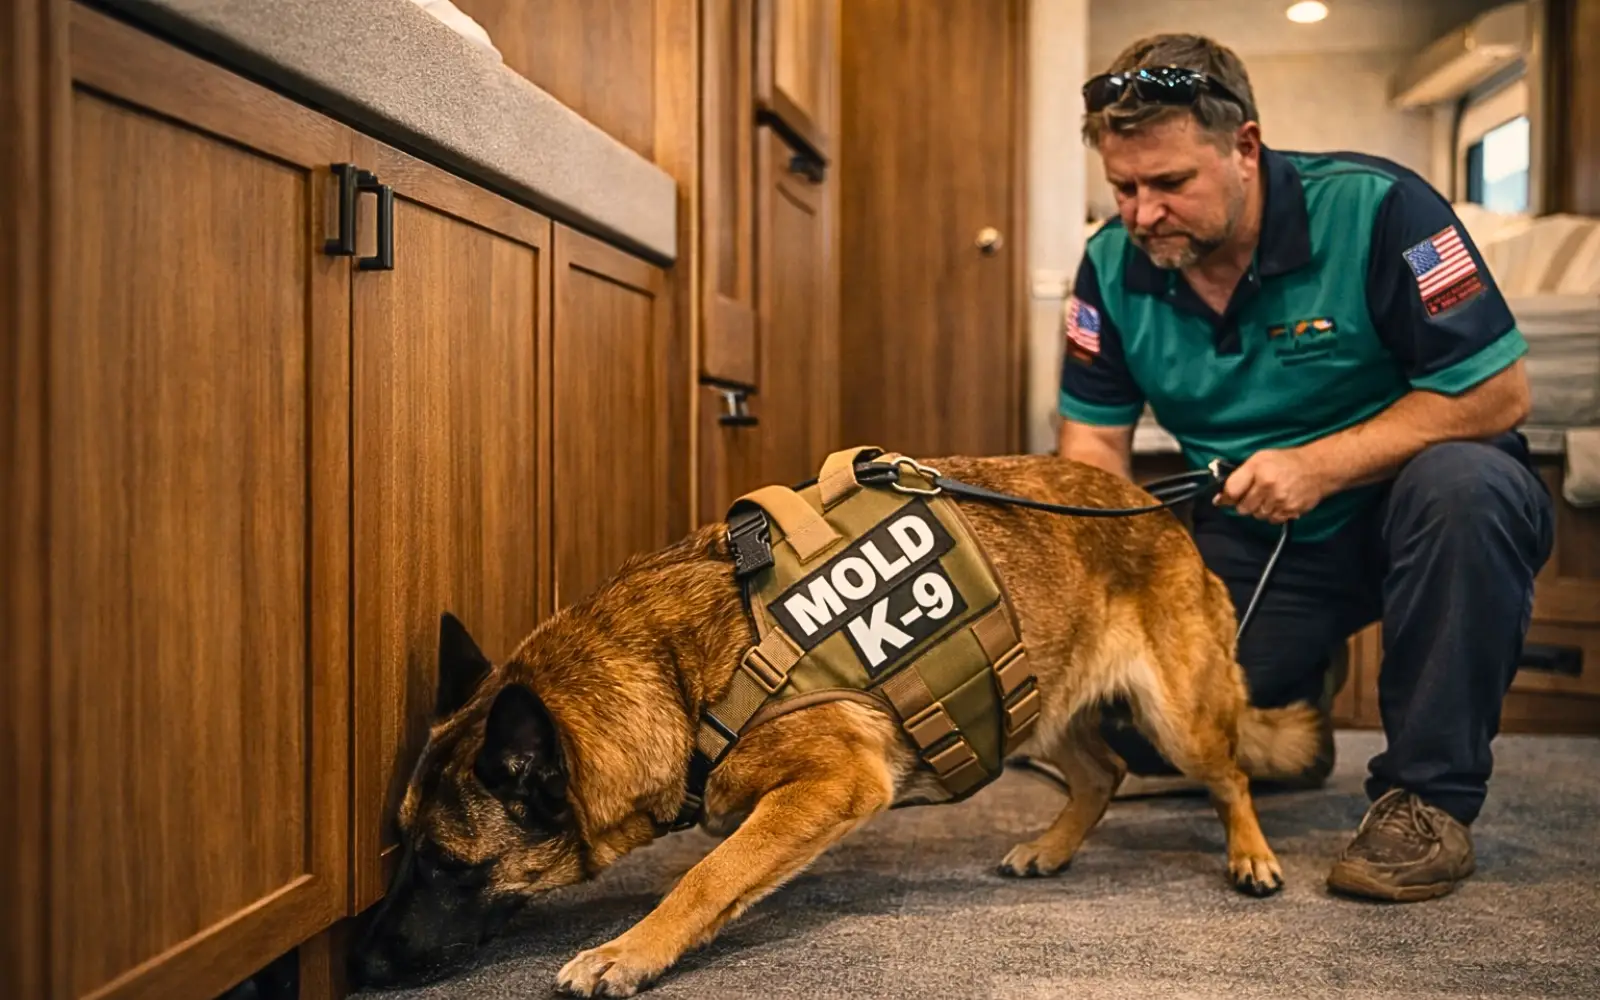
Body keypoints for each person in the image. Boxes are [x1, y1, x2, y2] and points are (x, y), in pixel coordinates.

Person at [1057, 33, 1554, 903]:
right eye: (1124, 188)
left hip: (1422, 503)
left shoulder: (1383, 207)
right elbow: (1093, 453)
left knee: (1467, 489)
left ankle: (1426, 799)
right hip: (1263, 530)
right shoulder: (1109, 266)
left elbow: (1499, 393)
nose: (1142, 215)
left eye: (1170, 184)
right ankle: (1298, 717)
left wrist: (1321, 465)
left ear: (1245, 146)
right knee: (1141, 733)